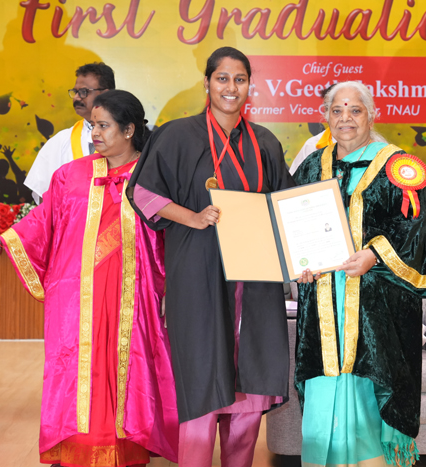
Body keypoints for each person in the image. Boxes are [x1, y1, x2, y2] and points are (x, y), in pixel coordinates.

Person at [0, 90, 179, 466]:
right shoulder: (71, 175)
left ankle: (126, 448)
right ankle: (81, 448)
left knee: (129, 368)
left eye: (103, 126)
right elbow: (41, 220)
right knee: (80, 370)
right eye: (93, 125)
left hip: (133, 299)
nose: (94, 133)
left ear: (129, 130)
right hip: (78, 300)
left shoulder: (155, 178)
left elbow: (172, 238)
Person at [127, 47, 294, 467]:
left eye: (240, 79)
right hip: (197, 273)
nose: (231, 88)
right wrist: (193, 217)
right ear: (207, 83)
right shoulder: (176, 136)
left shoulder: (265, 142)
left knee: (250, 387)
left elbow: (286, 207)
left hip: (255, 282)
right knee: (202, 380)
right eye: (222, 78)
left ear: (249, 85)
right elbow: (142, 192)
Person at [293, 81, 426, 467]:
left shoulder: (394, 165)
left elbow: (416, 226)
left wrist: (374, 254)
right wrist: (298, 263)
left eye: (355, 110)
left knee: (370, 382)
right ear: (325, 117)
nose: (346, 118)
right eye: (337, 110)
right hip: (323, 303)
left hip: (376, 305)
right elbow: (294, 224)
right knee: (324, 380)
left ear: (372, 115)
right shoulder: (311, 166)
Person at [24, 62, 115, 203]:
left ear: (105, 94)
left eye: (84, 92)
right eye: (75, 92)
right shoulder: (60, 141)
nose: (76, 98)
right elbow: (44, 197)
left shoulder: (126, 138)